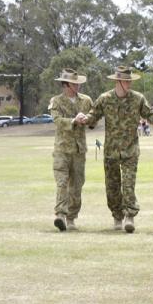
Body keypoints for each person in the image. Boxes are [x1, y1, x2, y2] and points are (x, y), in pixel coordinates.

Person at [86, 66, 153, 233]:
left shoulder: (138, 98)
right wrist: (85, 119)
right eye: (126, 80)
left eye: (130, 80)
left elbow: (149, 114)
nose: (129, 83)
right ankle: (117, 215)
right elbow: (93, 116)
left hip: (130, 150)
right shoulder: (105, 98)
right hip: (111, 150)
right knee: (112, 186)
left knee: (128, 184)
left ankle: (129, 216)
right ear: (118, 81)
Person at [47, 69, 93, 232]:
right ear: (65, 84)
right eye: (74, 83)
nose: (78, 86)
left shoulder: (86, 101)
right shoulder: (56, 101)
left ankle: (72, 217)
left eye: (78, 82)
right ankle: (60, 214)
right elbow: (57, 120)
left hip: (79, 150)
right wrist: (74, 120)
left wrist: (87, 119)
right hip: (62, 150)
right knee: (62, 183)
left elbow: (94, 118)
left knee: (77, 185)